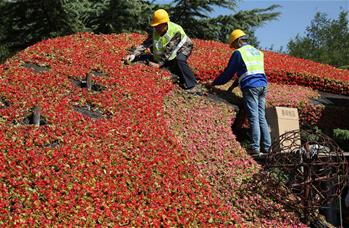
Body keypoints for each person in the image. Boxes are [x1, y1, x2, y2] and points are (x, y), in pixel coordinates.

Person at [211, 29, 271, 156]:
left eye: (233, 45)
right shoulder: (257, 52)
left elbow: (228, 73)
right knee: (261, 116)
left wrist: (214, 83)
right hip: (263, 86)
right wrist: (234, 85)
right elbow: (249, 70)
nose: (233, 48)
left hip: (251, 87)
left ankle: (255, 148)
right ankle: (267, 147)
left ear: (238, 41)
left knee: (253, 117)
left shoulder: (239, 53)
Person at [124, 9, 198, 92]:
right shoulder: (155, 31)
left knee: (179, 59)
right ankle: (175, 73)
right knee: (150, 58)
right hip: (168, 51)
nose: (156, 28)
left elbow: (170, 50)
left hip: (184, 47)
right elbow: (145, 44)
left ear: (165, 24)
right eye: (155, 26)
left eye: (158, 26)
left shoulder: (175, 30)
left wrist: (159, 64)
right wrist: (133, 55)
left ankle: (192, 85)